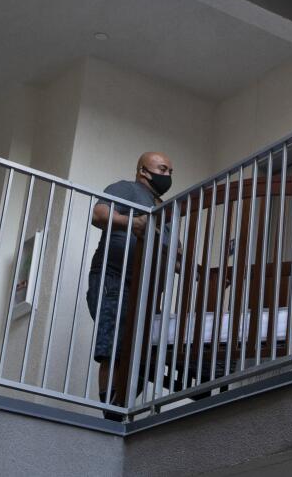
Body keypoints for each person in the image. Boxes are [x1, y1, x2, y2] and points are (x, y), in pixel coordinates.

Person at [86, 151, 174, 414]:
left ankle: (122, 408)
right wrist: (131, 223)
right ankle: (111, 414)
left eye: (170, 171)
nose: (167, 175)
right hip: (114, 278)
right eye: (162, 169)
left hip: (145, 292)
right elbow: (99, 214)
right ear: (143, 171)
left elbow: (175, 254)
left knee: (143, 354)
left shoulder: (167, 210)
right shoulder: (126, 189)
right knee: (114, 348)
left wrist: (202, 275)